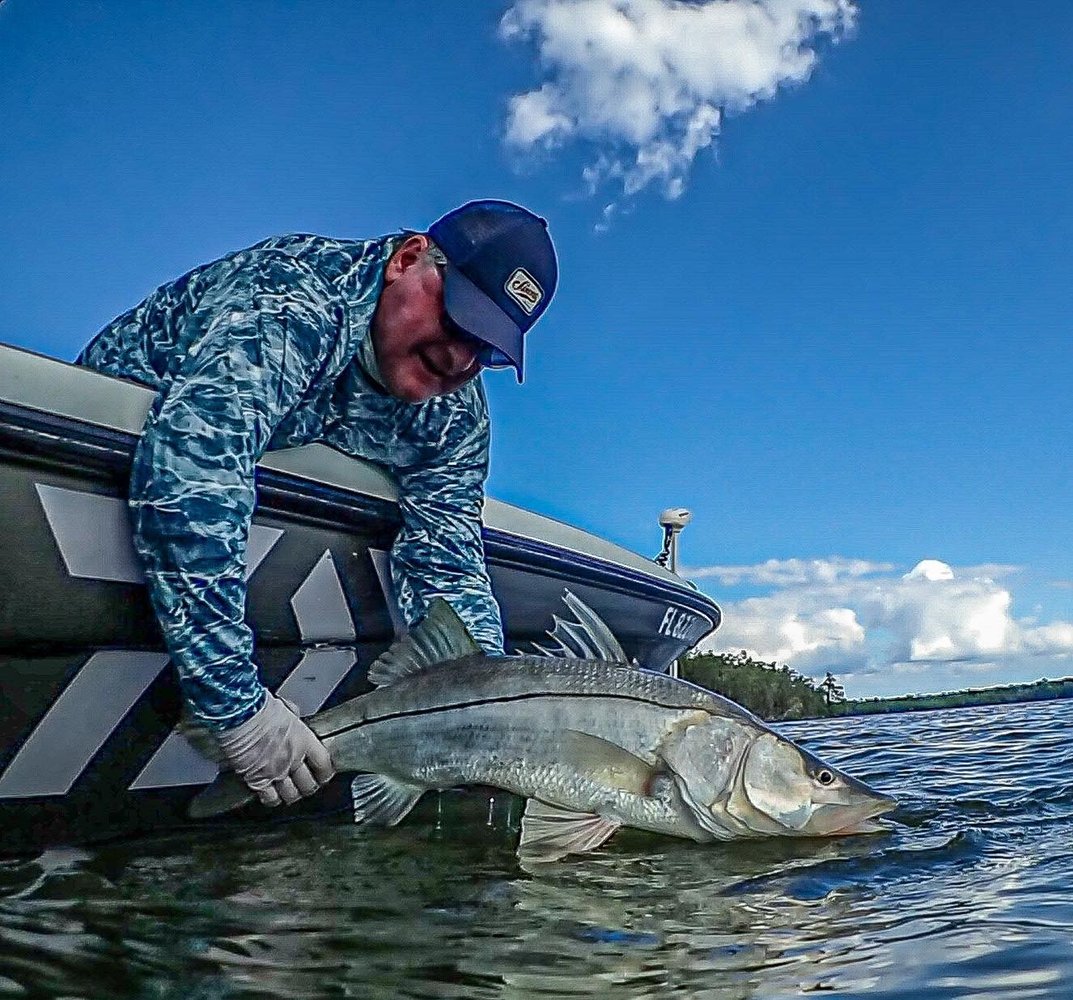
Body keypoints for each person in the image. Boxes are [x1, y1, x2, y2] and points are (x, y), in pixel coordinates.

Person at [77, 200, 558, 810]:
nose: (461, 359)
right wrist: (234, 705)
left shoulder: (456, 417)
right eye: (459, 319)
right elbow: (194, 466)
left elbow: (447, 560)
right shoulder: (294, 300)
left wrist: (492, 713)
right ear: (407, 260)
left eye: (486, 348)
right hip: (99, 469)